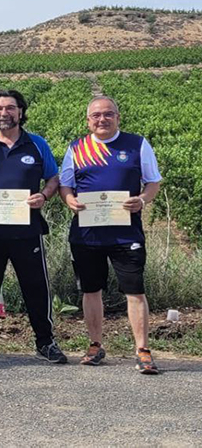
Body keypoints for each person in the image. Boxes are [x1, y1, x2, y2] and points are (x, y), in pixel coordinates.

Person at [0, 90, 67, 363]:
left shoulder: (37, 144)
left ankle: (45, 342)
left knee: (35, 285)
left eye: (10, 108)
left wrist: (44, 196)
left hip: (27, 229)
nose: (3, 113)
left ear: (20, 111)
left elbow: (53, 178)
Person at [59, 96, 162, 374]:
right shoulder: (76, 148)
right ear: (88, 120)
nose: (102, 120)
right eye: (96, 116)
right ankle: (95, 345)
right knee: (91, 290)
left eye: (108, 114)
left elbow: (153, 182)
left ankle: (142, 350)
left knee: (135, 291)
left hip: (126, 233)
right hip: (87, 233)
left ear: (118, 117)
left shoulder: (137, 144)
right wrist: (69, 201)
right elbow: (65, 185)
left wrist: (141, 200)